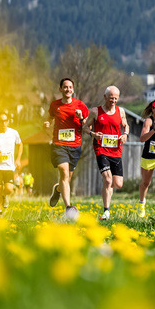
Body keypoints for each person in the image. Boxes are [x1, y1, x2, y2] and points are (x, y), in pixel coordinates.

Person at [82, 85, 129, 221]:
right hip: (101, 149)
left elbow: (126, 125)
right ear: (104, 97)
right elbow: (85, 126)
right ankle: (106, 211)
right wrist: (93, 134)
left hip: (116, 150)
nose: (113, 101)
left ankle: (107, 189)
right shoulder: (95, 112)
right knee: (108, 180)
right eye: (110, 98)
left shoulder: (121, 112)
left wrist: (125, 134)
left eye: (115, 98)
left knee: (118, 184)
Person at [45, 77, 89, 217]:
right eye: (65, 87)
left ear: (73, 90)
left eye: (70, 87)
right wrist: (46, 123)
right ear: (60, 89)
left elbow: (87, 125)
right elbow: (50, 118)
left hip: (75, 146)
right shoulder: (55, 105)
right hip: (59, 144)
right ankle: (68, 208)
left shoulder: (80, 105)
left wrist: (81, 117)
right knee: (63, 172)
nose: (67, 89)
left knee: (67, 179)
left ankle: (58, 189)